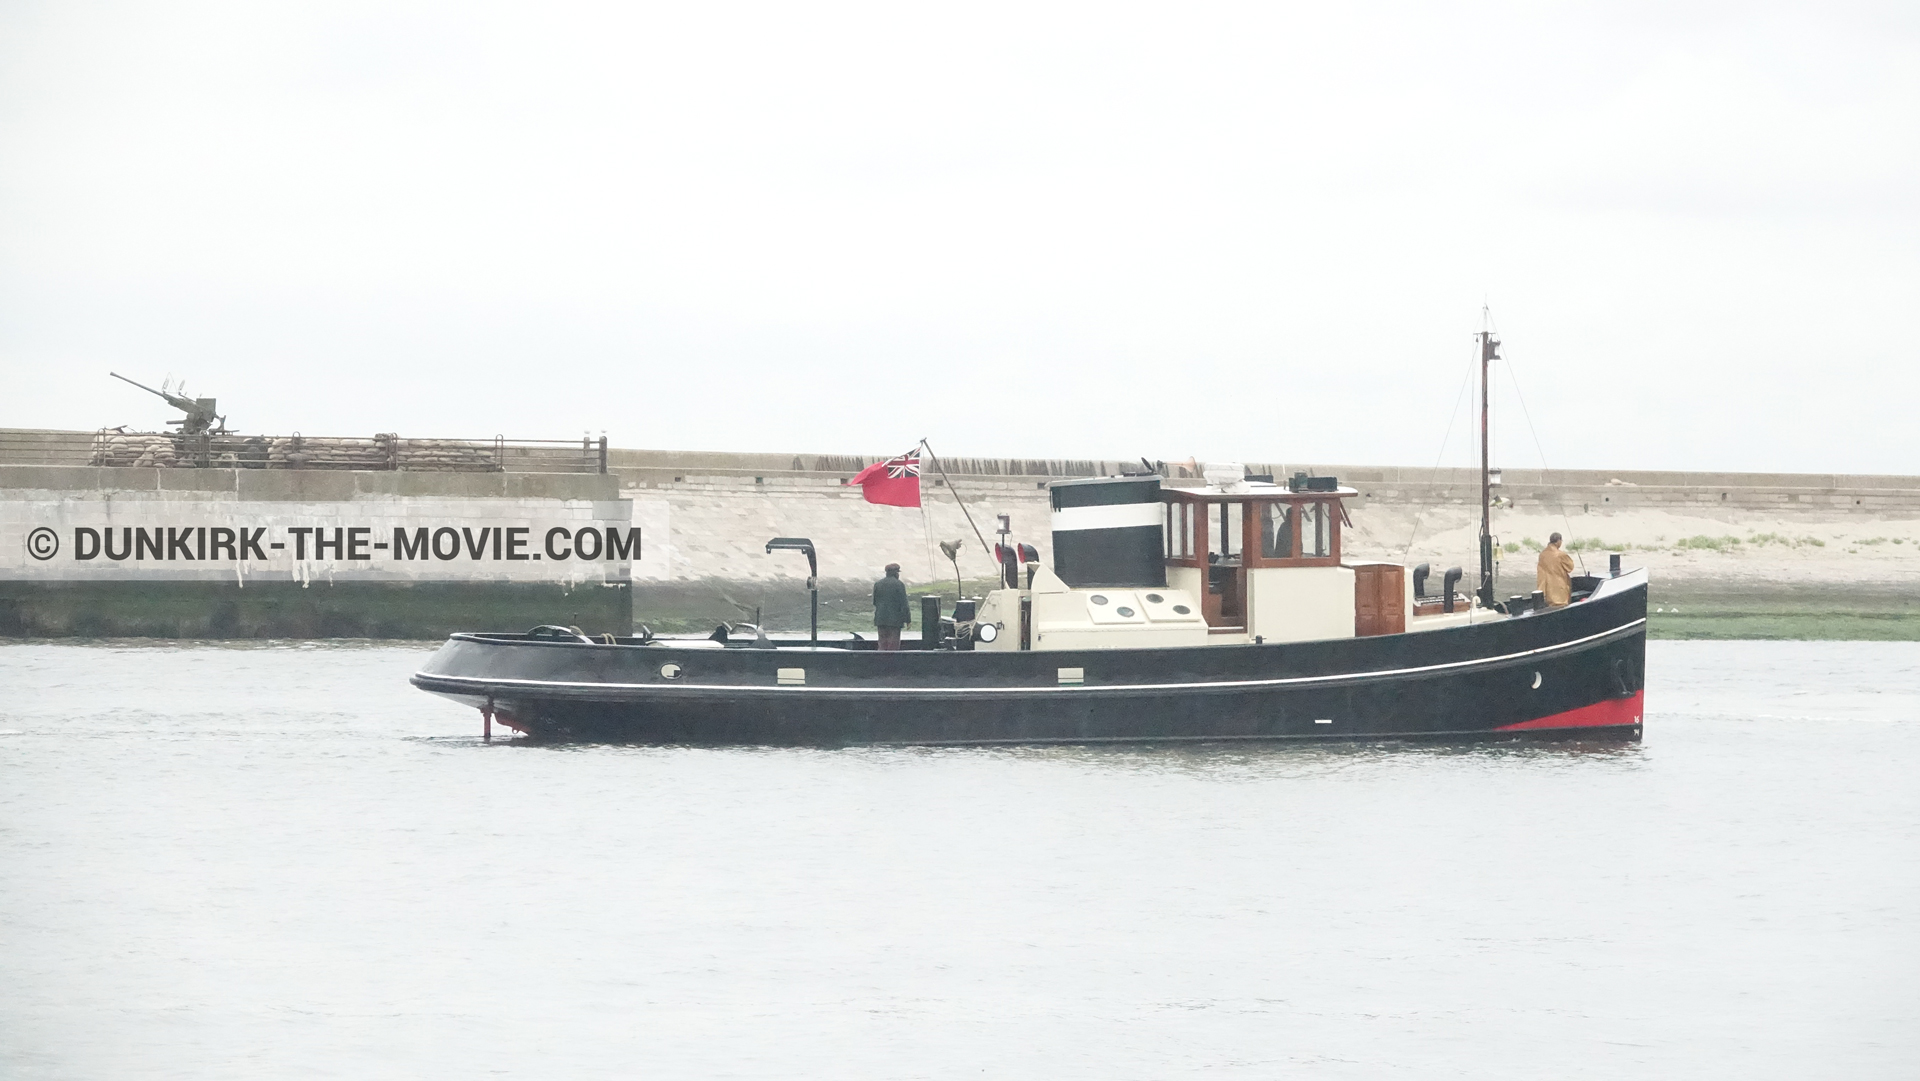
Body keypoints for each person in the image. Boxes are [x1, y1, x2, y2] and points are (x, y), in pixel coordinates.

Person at [872, 563, 911, 651]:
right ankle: (892, 663)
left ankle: (881, 662)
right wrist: (908, 620)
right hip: (895, 621)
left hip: (880, 619)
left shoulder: (878, 584)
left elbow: (874, 602)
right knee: (893, 645)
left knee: (882, 643)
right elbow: (904, 604)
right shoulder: (899, 584)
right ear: (896, 573)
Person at [1537, 532, 1575, 608]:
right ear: (1558, 541)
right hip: (1559, 587)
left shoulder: (1542, 554)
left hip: (1546, 587)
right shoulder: (1560, 555)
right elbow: (1570, 567)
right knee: (1561, 604)